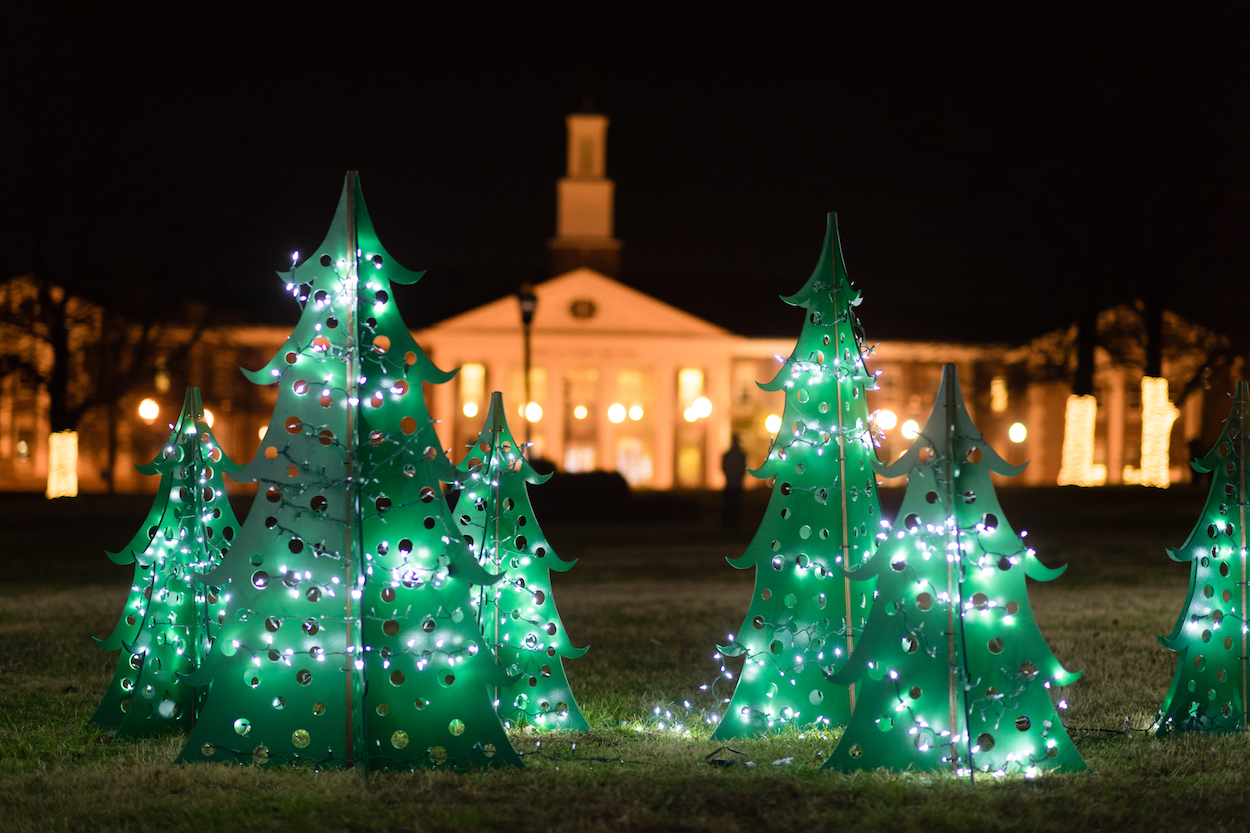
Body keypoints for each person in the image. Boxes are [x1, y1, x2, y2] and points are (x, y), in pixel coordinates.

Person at [721, 435, 747, 531]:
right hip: (730, 484)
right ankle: (727, 525)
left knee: (735, 506)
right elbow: (724, 468)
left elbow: (742, 469)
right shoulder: (728, 455)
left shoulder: (741, 455)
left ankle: (734, 525)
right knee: (728, 506)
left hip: (736, 484)